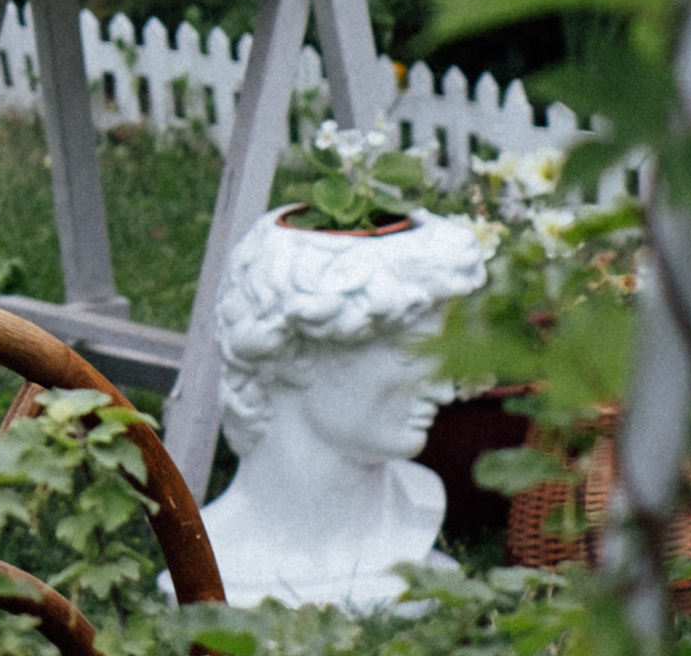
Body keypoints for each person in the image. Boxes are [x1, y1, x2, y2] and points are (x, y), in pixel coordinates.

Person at [202, 203, 490, 611]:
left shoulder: (415, 509)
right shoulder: (209, 551)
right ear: (296, 353)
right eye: (412, 352)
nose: (445, 391)